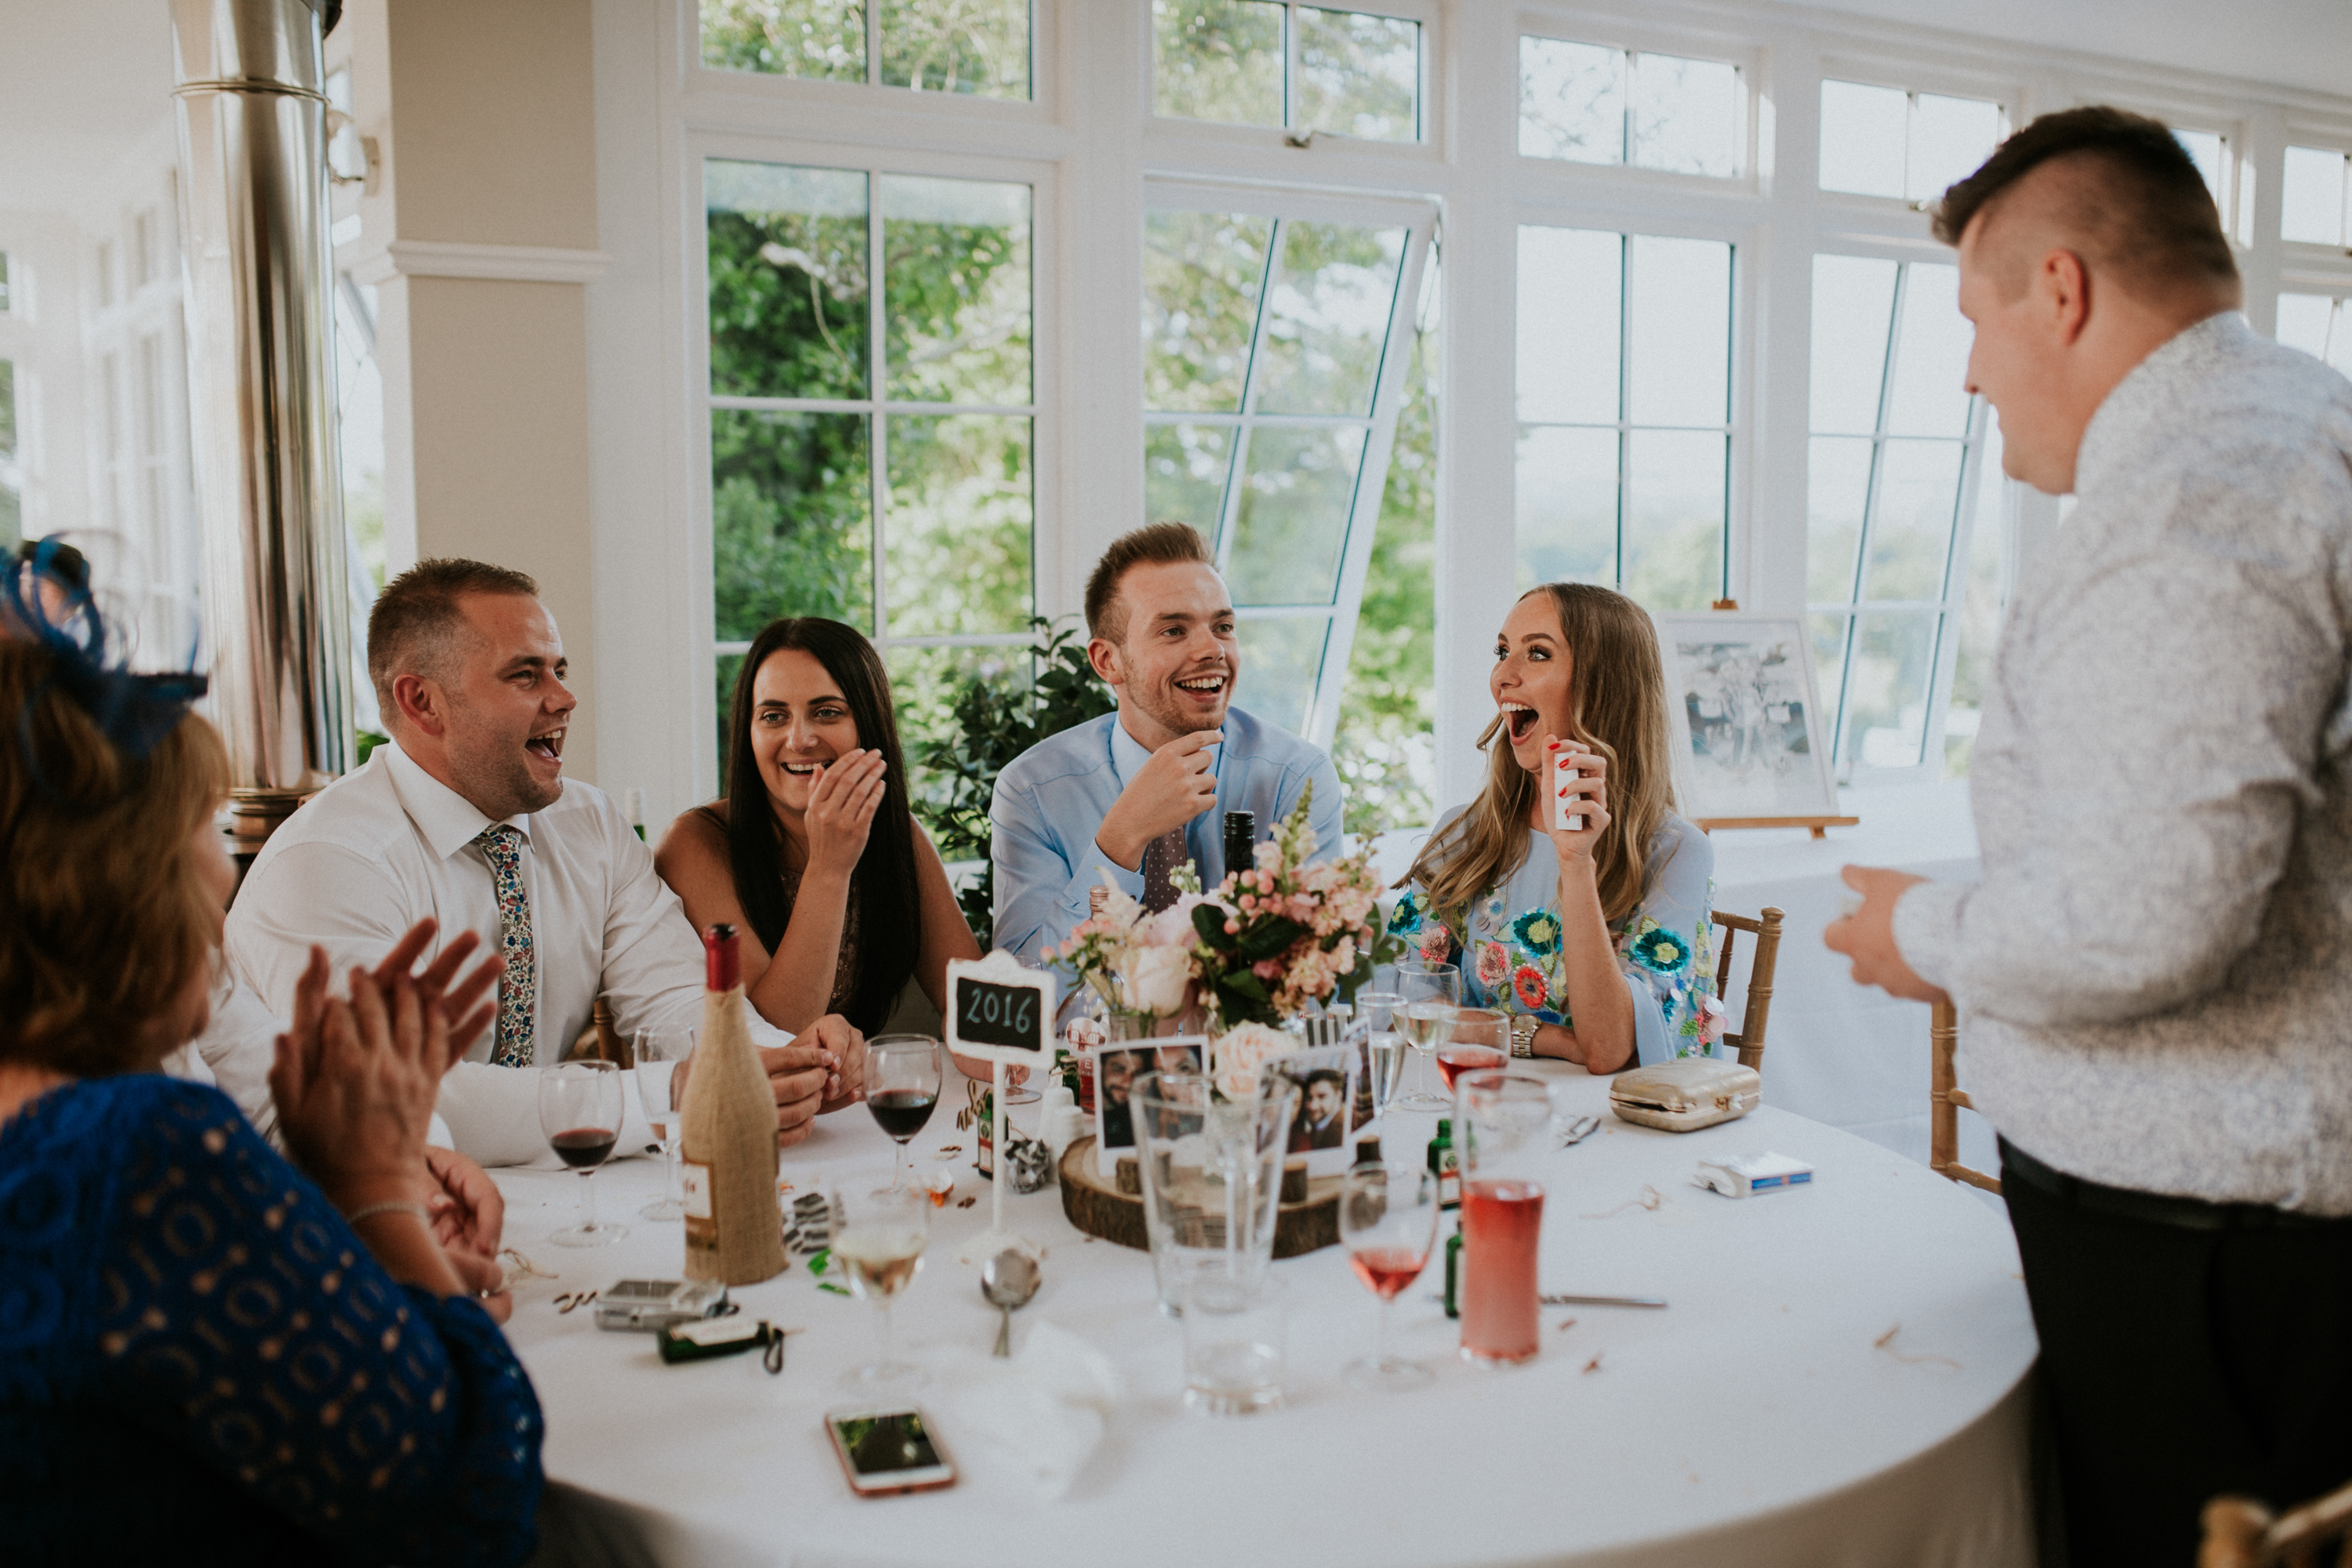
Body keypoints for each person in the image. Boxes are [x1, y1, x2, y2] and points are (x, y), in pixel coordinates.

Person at [1824, 107, 2352, 1564]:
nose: (1972, 371)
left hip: (2220, 1265)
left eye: (1977, 320)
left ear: (2061, 290)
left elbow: (2150, 916)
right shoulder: (2295, 424)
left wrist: (1917, 935)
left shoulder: (2195, 496)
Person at [0, 630, 543, 1565]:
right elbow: (469, 1501)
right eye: (200, 837)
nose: (223, 876)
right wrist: (373, 1189)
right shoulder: (130, 1151)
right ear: (104, 882)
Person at [226, 558, 864, 1166]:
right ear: (422, 703)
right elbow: (398, 1096)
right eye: (526, 675)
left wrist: (790, 1061)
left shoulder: (588, 824)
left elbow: (673, 1001)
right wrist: (663, 1096)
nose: (565, 699)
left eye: (560, 670)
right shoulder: (327, 863)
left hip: (553, 1197)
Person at [1389, 583, 1717, 1074]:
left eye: (1537, 654)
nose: (1503, 675)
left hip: (1622, 1132)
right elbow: (1402, 999)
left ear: (1602, 686)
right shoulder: (1465, 833)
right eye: (1502, 652)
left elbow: (1609, 1050)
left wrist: (1576, 860)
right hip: (1488, 1104)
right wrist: (1546, 1039)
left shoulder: (1676, 852)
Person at [992, 522, 1345, 965]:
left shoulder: (1294, 778)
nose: (1212, 649)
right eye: (1174, 631)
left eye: (1223, 626)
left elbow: (1317, 984)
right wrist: (1120, 841)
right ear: (1108, 660)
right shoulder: (1032, 792)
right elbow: (1022, 995)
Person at [656, 617, 990, 1076]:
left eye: (827, 712)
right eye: (773, 716)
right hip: (744, 1114)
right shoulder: (697, 844)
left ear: (867, 726)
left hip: (851, 1112)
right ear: (748, 732)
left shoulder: (898, 835)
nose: (799, 739)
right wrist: (831, 867)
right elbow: (778, 1038)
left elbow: (972, 1004)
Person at [1290, 1069, 1347, 1152]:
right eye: (1309, 1097)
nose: (1313, 1106)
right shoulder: (1320, 1122)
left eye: (1322, 1097)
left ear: (1338, 1096)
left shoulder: (1346, 1128)